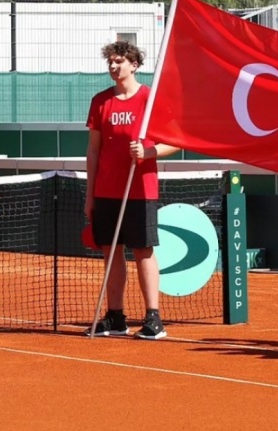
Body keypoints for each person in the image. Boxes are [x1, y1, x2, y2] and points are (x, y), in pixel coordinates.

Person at [84, 41, 179, 340]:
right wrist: (90, 194)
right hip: (106, 191)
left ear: (134, 65)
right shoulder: (100, 102)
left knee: (143, 251)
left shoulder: (151, 100)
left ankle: (154, 319)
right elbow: (94, 151)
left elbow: (176, 140)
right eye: (111, 62)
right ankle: (115, 317)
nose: (114, 67)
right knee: (111, 254)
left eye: (120, 61)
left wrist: (149, 152)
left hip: (140, 190)